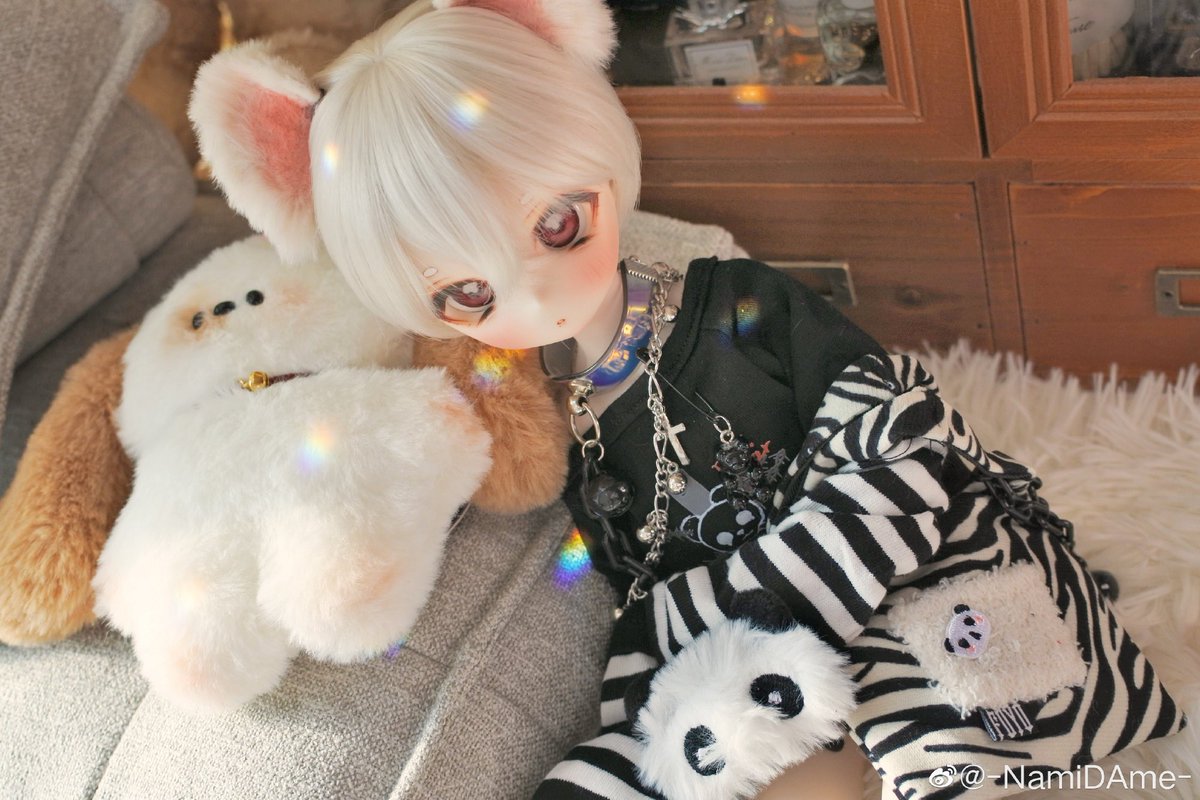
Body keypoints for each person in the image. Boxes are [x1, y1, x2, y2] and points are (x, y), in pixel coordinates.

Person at [190, 0, 885, 795]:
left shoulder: (733, 305)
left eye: (557, 225)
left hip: (853, 597)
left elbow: (886, 418)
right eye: (469, 292)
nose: (537, 297)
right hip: (696, 669)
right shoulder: (530, 398)